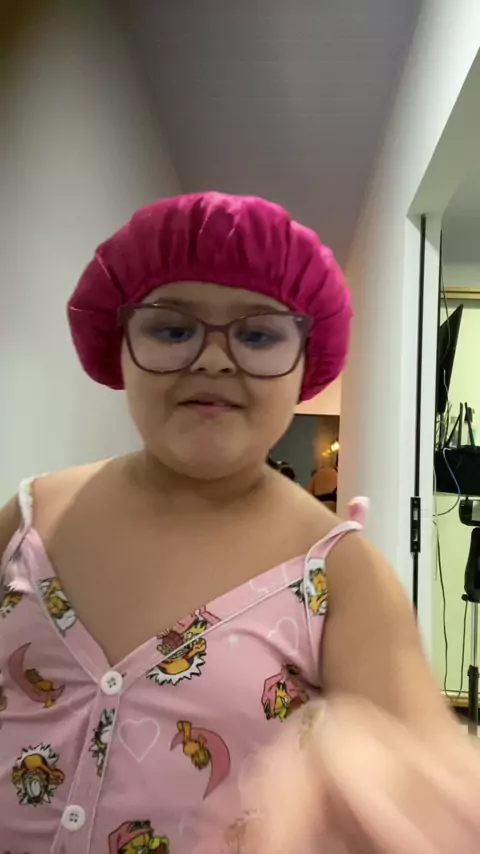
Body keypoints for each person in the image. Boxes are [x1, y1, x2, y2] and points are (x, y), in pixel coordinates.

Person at [0, 192, 478, 854]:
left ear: (307, 361)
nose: (214, 359)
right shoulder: (29, 518)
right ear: (119, 343)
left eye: (257, 335)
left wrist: (386, 788)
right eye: (173, 329)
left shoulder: (338, 571)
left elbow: (428, 778)